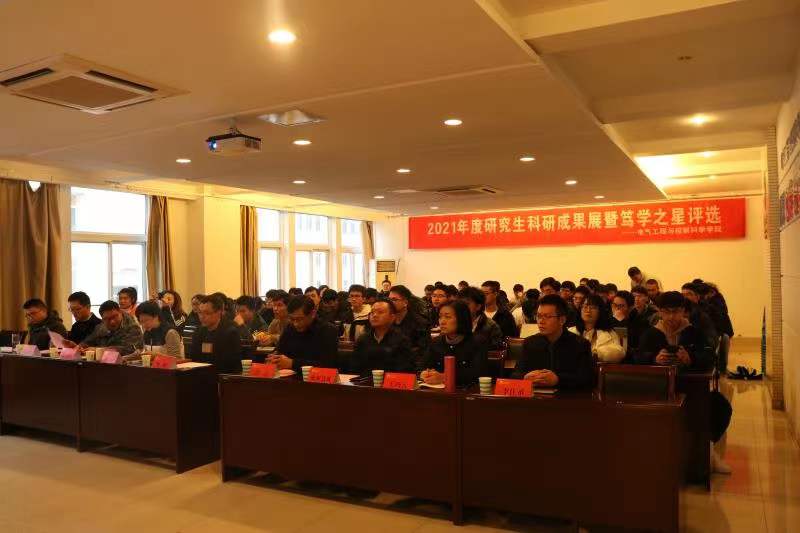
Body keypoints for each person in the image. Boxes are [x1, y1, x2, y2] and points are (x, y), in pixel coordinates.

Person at [511, 295, 593, 390]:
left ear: (562, 320)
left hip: (566, 396)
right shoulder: (529, 343)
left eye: (547, 316)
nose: (541, 321)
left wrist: (558, 379)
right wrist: (525, 377)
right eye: (538, 316)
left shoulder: (580, 344)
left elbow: (587, 379)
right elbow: (515, 374)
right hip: (535, 395)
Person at [634, 292, 712, 370]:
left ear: (683, 311)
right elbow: (638, 357)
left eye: (676, 311)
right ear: (660, 312)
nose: (671, 316)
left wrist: (691, 359)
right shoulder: (650, 334)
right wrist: (654, 359)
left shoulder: (694, 332)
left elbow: (709, 357)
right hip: (660, 376)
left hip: (688, 376)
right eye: (666, 311)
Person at [420, 300, 488, 387]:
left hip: (466, 391)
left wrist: (445, 377)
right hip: (437, 389)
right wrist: (424, 373)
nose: (442, 322)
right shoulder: (436, 342)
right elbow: (423, 365)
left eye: (448, 317)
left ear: (462, 319)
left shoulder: (477, 342)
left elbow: (477, 374)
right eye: (440, 317)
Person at [268, 296, 339, 372]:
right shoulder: (290, 328)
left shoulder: (328, 330)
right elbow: (280, 351)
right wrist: (274, 359)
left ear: (313, 313)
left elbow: (327, 365)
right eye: (292, 319)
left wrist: (293, 363)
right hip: (289, 376)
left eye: (299, 319)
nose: (295, 324)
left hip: (316, 378)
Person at [350, 299, 415, 376]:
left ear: (392, 317)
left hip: (392, 381)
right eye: (372, 312)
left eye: (380, 312)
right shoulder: (363, 339)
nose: (375, 315)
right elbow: (355, 366)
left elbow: (405, 370)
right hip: (365, 381)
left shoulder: (401, 340)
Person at [188, 294, 242, 374]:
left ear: (219, 312)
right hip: (202, 373)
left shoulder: (230, 333)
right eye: (200, 313)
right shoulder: (198, 332)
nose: (202, 317)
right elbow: (194, 358)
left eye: (207, 313)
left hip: (222, 376)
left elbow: (229, 364)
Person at [67, 300, 143, 356]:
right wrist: (79, 347)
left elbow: (130, 349)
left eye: (115, 316)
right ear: (102, 319)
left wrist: (100, 350)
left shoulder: (132, 327)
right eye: (107, 319)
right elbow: (89, 340)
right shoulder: (101, 326)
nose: (112, 321)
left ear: (120, 312)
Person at [570, 294, 625, 363]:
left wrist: (595, 353)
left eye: (593, 307)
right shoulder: (571, 331)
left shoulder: (609, 333)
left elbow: (619, 353)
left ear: (600, 311)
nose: (588, 310)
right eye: (585, 306)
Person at [388, 285, 431, 356]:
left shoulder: (420, 323)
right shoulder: (387, 321)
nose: (390, 303)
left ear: (405, 302)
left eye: (394, 300)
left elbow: (422, 350)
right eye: (389, 300)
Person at [609, 290, 647, 360]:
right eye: (614, 305)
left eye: (621, 306)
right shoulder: (608, 320)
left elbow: (625, 347)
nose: (617, 309)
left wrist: (620, 322)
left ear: (630, 308)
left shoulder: (640, 323)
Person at [681, 282, 719, 348]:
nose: (685, 297)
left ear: (697, 296)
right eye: (683, 295)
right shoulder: (681, 311)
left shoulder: (705, 312)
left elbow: (711, 340)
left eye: (689, 294)